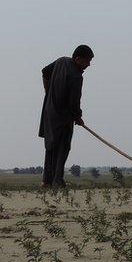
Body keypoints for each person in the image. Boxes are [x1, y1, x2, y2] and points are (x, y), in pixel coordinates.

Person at [39, 45, 93, 188]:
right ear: (78, 59)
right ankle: (58, 180)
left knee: (50, 146)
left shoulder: (61, 61)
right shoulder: (76, 76)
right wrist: (78, 117)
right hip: (64, 117)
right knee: (63, 148)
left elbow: (44, 73)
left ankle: (46, 181)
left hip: (49, 112)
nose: (89, 65)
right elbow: (74, 101)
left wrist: (48, 93)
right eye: (87, 61)